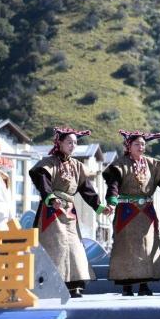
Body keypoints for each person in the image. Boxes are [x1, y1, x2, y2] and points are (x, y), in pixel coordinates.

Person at [29, 127, 112, 298]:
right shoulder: (48, 163)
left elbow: (87, 190)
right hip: (51, 210)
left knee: (75, 246)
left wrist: (99, 207)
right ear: (59, 143)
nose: (73, 145)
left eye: (75, 142)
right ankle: (53, 284)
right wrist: (51, 199)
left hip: (69, 212)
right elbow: (43, 182)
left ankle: (75, 284)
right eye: (69, 142)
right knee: (56, 246)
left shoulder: (77, 166)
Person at [102, 130, 160, 296]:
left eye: (143, 144)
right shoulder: (120, 164)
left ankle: (144, 285)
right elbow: (113, 185)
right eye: (137, 144)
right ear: (129, 146)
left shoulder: (152, 164)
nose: (141, 147)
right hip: (126, 212)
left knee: (147, 247)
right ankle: (127, 286)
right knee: (127, 248)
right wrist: (111, 201)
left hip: (146, 212)